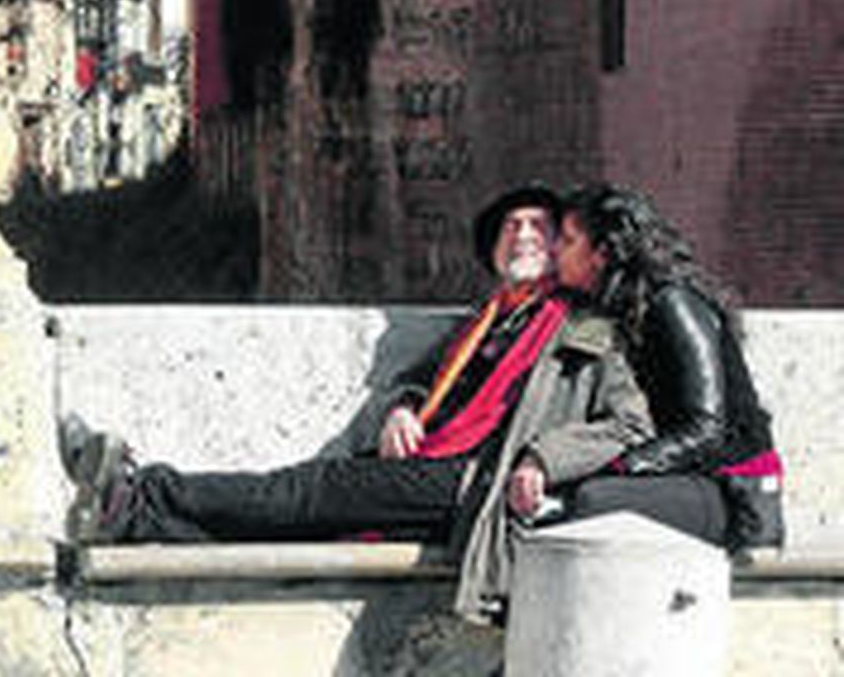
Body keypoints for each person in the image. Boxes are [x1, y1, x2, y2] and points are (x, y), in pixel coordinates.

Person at [62, 184, 654, 624]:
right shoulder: (487, 320)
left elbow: (630, 423)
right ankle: (135, 519)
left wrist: (545, 458)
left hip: (475, 479)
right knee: (299, 528)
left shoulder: (584, 325)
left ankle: (143, 493)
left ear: (564, 247)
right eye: (510, 227)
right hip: (427, 465)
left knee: (304, 491)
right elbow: (420, 381)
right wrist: (404, 407)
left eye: (538, 226)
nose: (522, 235)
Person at [554, 184, 784, 550]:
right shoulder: (616, 308)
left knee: (590, 502)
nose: (555, 251)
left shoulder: (673, 302)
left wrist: (623, 468)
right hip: (681, 478)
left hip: (732, 492)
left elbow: (706, 429)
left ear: (601, 253)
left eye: (567, 241)